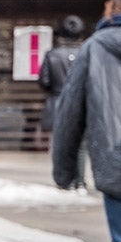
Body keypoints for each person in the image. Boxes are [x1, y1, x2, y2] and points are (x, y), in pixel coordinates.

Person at [52, 0, 121, 242]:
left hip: (117, 162)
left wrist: (64, 171)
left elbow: (69, 114)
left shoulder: (95, 49)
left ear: (113, 6)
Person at [39, 15, 86, 188]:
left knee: (60, 142)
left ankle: (63, 179)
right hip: (81, 101)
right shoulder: (86, 53)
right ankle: (80, 180)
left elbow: (44, 81)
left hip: (58, 99)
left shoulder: (52, 55)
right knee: (80, 143)